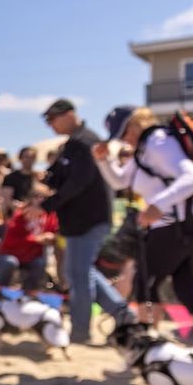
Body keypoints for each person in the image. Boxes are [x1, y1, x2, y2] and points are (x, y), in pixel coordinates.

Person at [93, 105, 193, 342]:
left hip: (178, 226)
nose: (124, 140)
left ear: (135, 125)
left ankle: (149, 349)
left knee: (146, 284)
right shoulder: (144, 149)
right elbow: (120, 181)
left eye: (124, 133)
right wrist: (103, 160)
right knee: (189, 292)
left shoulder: (157, 142)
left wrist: (158, 205)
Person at [33, 98, 133, 343]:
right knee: (80, 272)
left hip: (89, 219)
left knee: (78, 274)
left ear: (69, 114)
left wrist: (45, 205)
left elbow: (79, 182)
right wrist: (45, 183)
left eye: (52, 119)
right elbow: (62, 178)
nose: (50, 125)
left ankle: (80, 331)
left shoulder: (85, 141)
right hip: (81, 220)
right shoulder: (74, 143)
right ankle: (123, 315)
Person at [0, 189, 58, 292]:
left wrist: (52, 237)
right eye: (36, 196)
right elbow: (11, 240)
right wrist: (36, 239)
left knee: (40, 263)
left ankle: (28, 294)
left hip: (32, 256)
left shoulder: (50, 217)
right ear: (31, 199)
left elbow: (56, 232)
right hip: (11, 253)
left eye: (45, 198)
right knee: (10, 262)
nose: (40, 200)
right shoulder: (21, 214)